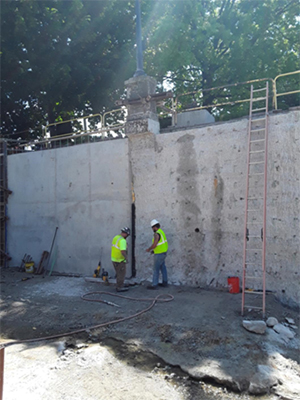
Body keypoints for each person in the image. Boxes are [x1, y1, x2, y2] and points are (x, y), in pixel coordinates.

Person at [146, 219, 168, 289]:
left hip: (159, 254)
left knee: (156, 269)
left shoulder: (156, 233)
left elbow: (155, 244)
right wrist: (154, 251)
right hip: (163, 252)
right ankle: (165, 282)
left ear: (154, 227)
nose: (152, 229)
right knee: (163, 267)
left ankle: (154, 284)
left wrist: (149, 249)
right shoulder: (161, 232)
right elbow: (160, 244)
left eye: (152, 228)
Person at [111, 227, 130, 292]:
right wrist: (126, 258)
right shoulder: (122, 241)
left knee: (118, 273)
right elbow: (122, 251)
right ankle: (120, 287)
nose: (127, 236)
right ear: (126, 234)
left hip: (114, 259)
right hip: (120, 260)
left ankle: (120, 284)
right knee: (121, 274)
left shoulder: (116, 237)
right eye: (127, 235)